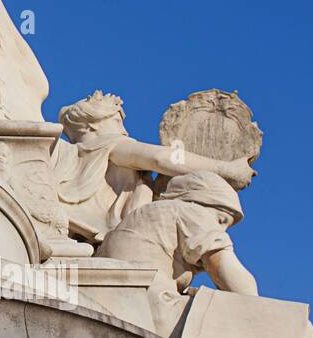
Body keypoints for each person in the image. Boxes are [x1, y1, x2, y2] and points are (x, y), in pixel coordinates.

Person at [52, 90, 255, 243]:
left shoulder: (72, 157)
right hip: (128, 236)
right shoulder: (111, 144)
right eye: (116, 121)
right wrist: (227, 169)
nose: (124, 130)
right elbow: (162, 158)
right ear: (92, 125)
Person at [97, 170, 257, 337]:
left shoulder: (144, 215)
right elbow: (244, 293)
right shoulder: (191, 212)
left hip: (128, 308)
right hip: (156, 313)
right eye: (221, 221)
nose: (221, 229)